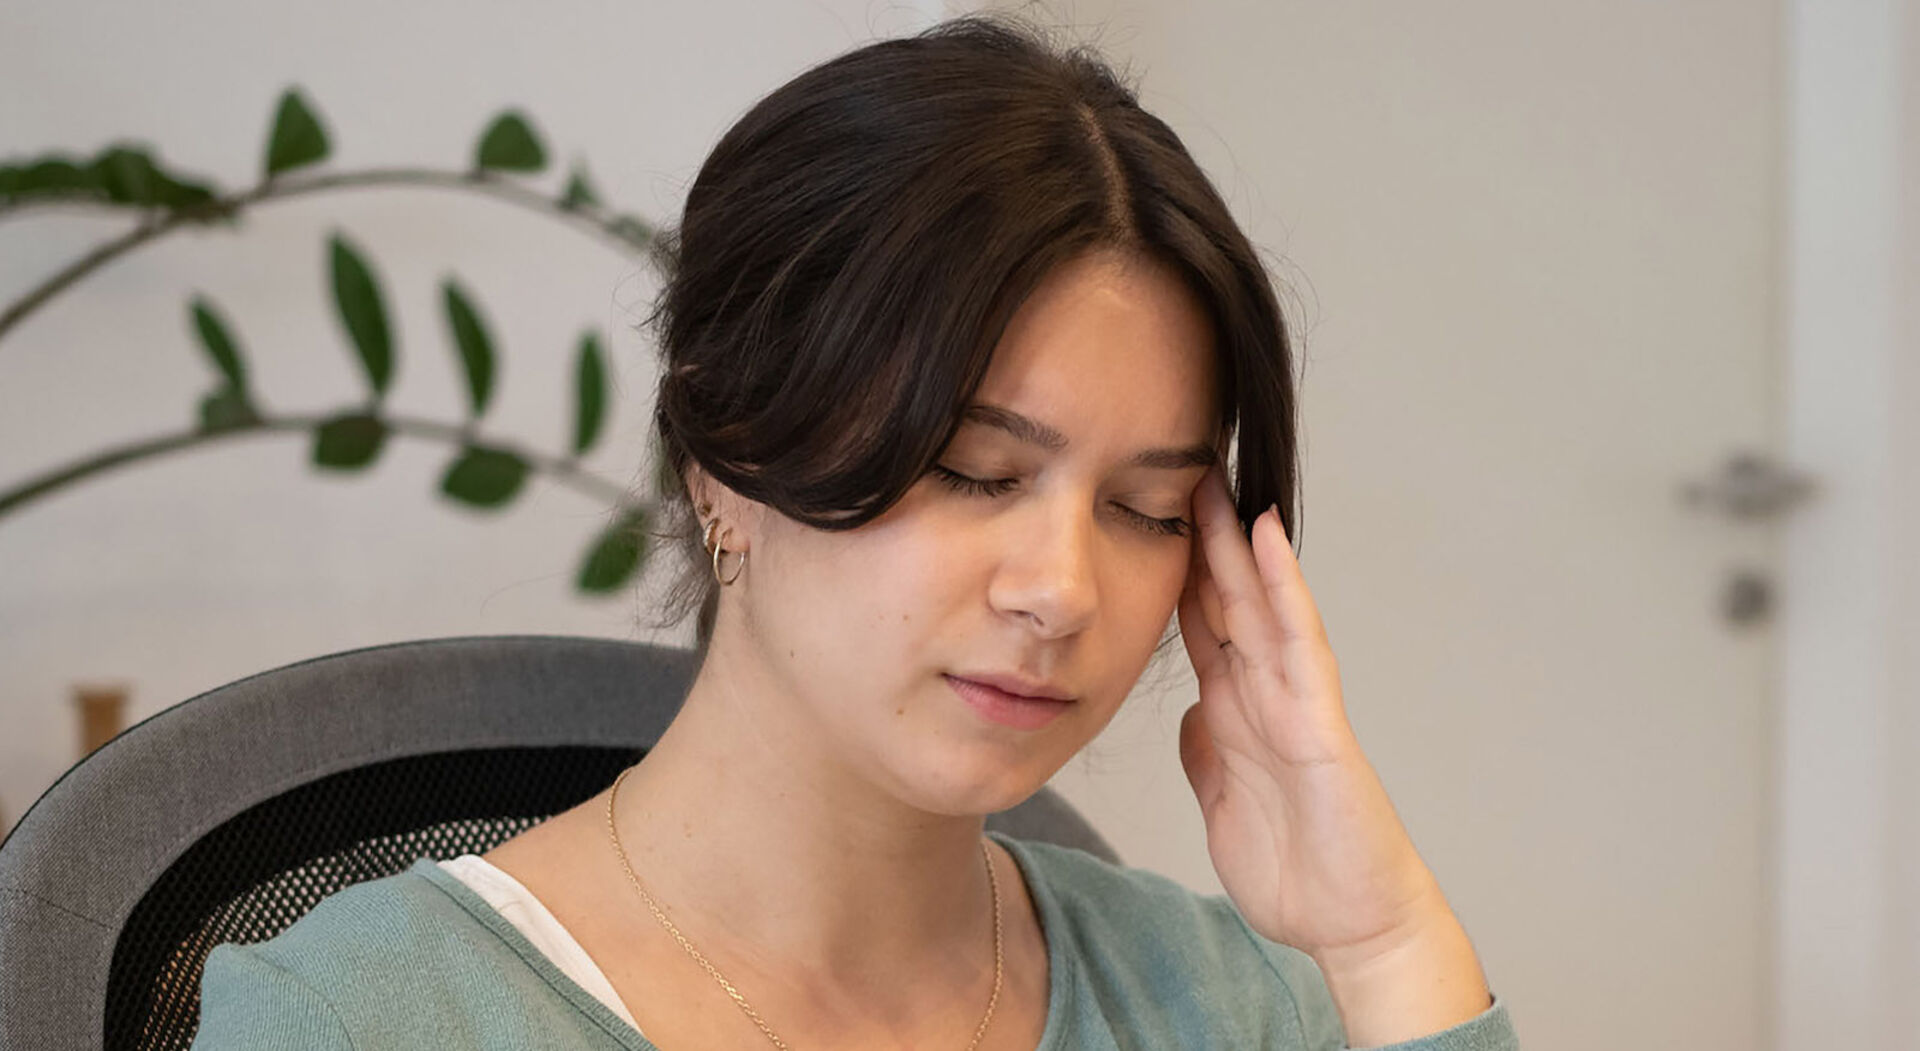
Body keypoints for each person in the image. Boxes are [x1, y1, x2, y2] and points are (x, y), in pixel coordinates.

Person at [193, 15, 1520, 1051]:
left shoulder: (1231, 1003)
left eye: (1146, 511)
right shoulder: (358, 1019)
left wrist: (1382, 941)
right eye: (974, 473)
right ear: (726, 456)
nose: (1061, 591)